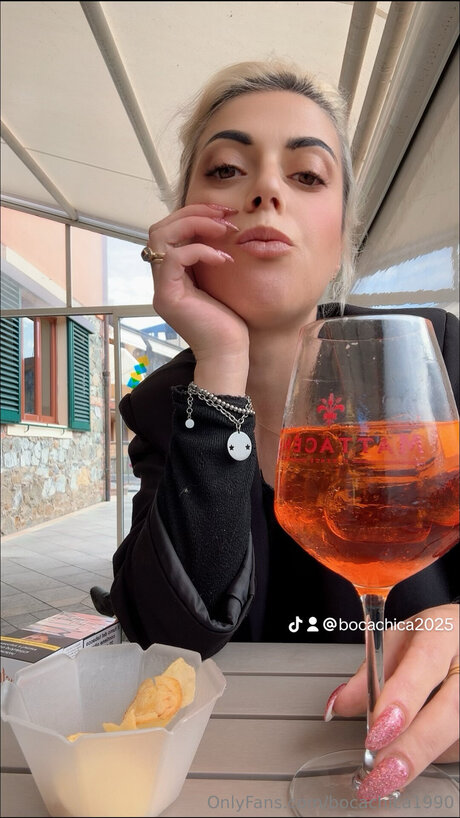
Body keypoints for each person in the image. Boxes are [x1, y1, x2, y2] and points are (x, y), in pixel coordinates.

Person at [99, 60, 459, 800]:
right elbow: (169, 636)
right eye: (227, 170)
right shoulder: (168, 406)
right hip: (236, 766)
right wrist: (221, 365)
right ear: (185, 224)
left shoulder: (433, 359)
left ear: (343, 234)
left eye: (307, 176)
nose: (266, 190)